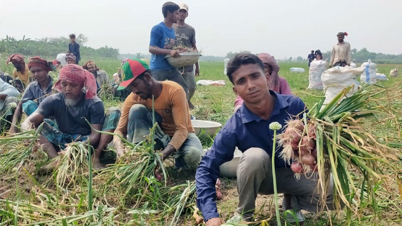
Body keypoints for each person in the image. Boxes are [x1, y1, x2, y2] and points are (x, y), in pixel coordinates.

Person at [196, 53, 338, 225]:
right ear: (236, 90)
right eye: (241, 81)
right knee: (254, 156)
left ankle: (292, 203)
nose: (250, 85)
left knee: (335, 190)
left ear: (267, 76)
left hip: (296, 174)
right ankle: (244, 215)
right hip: (262, 179)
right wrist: (210, 215)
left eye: (255, 76)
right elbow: (206, 167)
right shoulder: (234, 126)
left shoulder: (294, 106)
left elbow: (317, 139)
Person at [21, 64, 119, 170]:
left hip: (86, 144)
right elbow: (27, 122)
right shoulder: (53, 100)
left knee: (114, 112)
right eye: (64, 84)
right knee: (37, 125)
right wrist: (27, 132)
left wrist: (75, 148)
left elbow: (95, 136)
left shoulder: (94, 103)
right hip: (62, 140)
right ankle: (56, 160)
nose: (68, 89)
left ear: (82, 85)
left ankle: (95, 157)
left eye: (73, 85)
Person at [113, 59, 203, 168]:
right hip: (157, 138)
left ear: (147, 77)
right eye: (130, 87)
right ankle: (145, 157)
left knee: (193, 154)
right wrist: (118, 148)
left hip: (182, 136)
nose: (134, 91)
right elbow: (119, 130)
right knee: (136, 109)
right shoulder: (134, 98)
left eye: (135, 85)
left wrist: (162, 155)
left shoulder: (174, 91)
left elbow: (182, 130)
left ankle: (170, 159)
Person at [149, 2, 189, 99]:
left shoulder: (171, 30)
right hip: (158, 68)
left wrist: (178, 50)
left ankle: (181, 109)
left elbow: (170, 47)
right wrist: (169, 52)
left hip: (170, 67)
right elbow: (151, 48)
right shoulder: (158, 28)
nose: (178, 16)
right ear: (169, 13)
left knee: (183, 88)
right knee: (155, 94)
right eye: (176, 13)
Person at [9, 57, 55, 134]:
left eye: (39, 71)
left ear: (46, 70)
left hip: (56, 120)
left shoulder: (56, 85)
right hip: (41, 118)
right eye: (33, 72)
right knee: (27, 104)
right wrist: (14, 127)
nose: (36, 74)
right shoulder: (33, 86)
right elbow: (20, 105)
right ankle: (41, 128)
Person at [173, 3, 200, 109]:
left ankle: (186, 101)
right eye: (180, 11)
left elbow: (193, 47)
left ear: (187, 14)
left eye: (184, 11)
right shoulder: (171, 28)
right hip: (174, 62)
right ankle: (179, 105)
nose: (181, 13)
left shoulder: (190, 30)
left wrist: (197, 65)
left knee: (192, 86)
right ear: (176, 12)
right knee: (176, 87)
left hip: (188, 63)